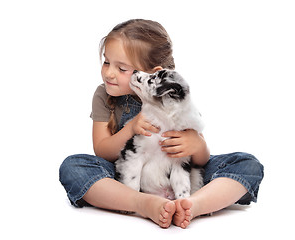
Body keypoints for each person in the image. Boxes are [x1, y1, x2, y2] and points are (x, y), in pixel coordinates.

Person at [59, 19, 264, 229]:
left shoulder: (173, 94)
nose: (109, 73)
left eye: (121, 68)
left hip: (183, 177)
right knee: (73, 167)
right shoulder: (103, 95)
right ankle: (141, 202)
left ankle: (192, 205)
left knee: (247, 164)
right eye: (106, 62)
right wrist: (130, 128)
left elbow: (201, 160)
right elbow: (102, 151)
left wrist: (197, 145)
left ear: (155, 73)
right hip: (128, 177)